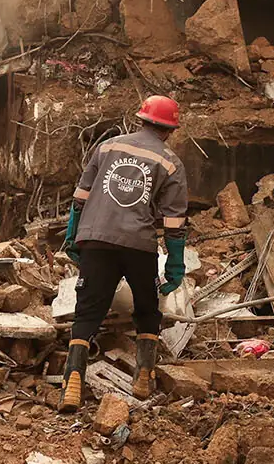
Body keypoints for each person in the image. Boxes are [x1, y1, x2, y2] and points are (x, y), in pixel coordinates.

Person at [58, 94, 189, 410]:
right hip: (137, 245)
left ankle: (72, 382)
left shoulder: (107, 147)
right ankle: (144, 375)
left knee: (88, 310)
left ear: (140, 119)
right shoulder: (171, 163)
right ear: (170, 130)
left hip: (96, 239)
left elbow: (80, 199)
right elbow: (174, 223)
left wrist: (74, 238)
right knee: (147, 309)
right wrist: (175, 265)